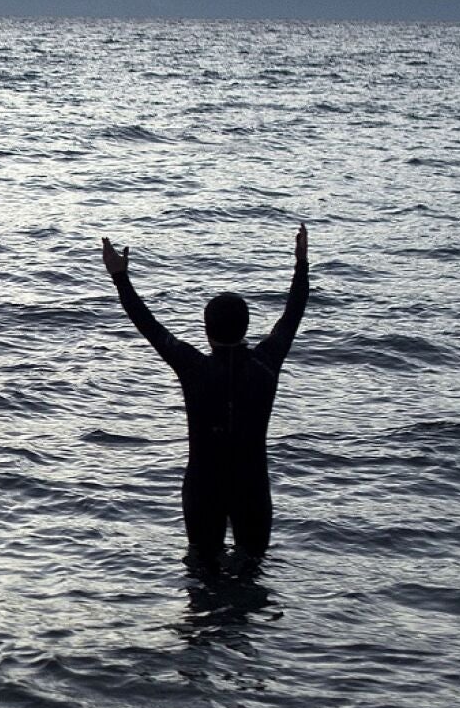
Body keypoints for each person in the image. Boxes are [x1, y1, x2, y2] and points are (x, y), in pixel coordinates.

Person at [102, 223, 311, 562]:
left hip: (203, 488)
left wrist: (120, 277)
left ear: (206, 329)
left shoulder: (193, 367)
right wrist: (301, 263)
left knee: (201, 580)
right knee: (252, 576)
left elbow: (149, 326)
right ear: (246, 328)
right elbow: (293, 314)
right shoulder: (266, 364)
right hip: (252, 488)